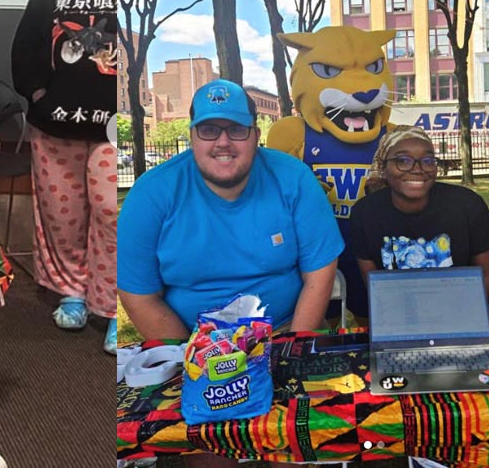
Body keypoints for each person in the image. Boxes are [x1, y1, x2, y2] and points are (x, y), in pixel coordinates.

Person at [118, 81, 341, 468]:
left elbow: (320, 272)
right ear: (192, 136)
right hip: (193, 347)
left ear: (255, 134)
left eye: (237, 129)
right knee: (210, 452)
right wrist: (199, 360)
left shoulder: (293, 179)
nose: (224, 142)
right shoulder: (151, 193)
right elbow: (137, 293)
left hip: (287, 330)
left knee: (296, 443)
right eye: (209, 130)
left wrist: (287, 353)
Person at [11, 0, 118, 353]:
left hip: (113, 129)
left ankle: (114, 305)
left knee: (114, 212)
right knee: (63, 217)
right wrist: (39, 92)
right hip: (56, 126)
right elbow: (26, 46)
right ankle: (72, 292)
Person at [350, 126, 489, 314]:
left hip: (468, 307)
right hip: (400, 312)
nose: (418, 169)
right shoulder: (365, 213)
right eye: (402, 161)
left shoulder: (467, 205)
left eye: (428, 161)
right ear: (383, 168)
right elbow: (375, 287)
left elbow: (486, 275)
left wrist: (465, 318)